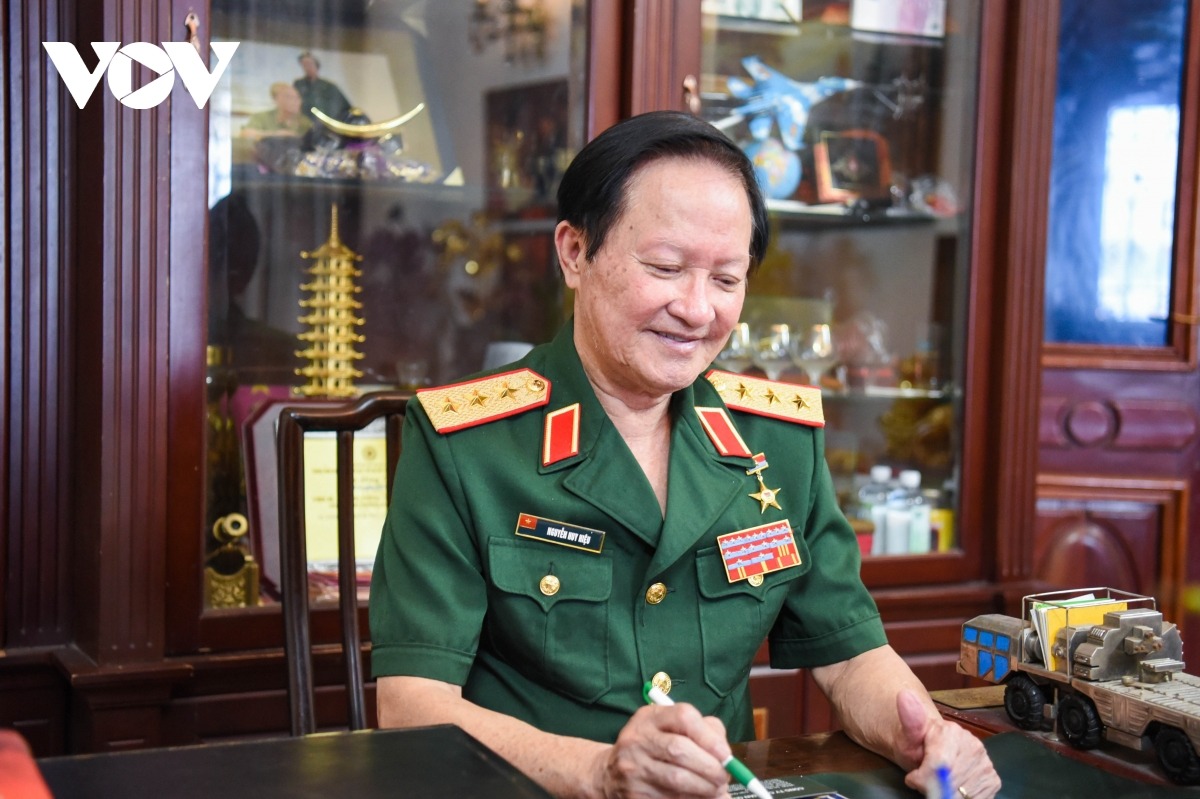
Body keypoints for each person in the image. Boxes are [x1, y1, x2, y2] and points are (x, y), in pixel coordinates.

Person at [369, 110, 1000, 799]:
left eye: (727, 280)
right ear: (575, 252)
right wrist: (598, 773)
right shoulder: (467, 442)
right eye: (666, 268)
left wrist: (929, 739)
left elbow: (850, 657)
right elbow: (412, 706)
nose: (698, 311)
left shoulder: (777, 440)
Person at [239, 82, 312, 141]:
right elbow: (245, 134)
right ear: (276, 100)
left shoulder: (304, 122)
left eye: (297, 97)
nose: (296, 101)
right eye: (289, 97)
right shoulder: (262, 117)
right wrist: (276, 135)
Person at [293, 51, 351, 122]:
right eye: (304, 65)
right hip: (303, 124)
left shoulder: (329, 86)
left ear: (316, 65)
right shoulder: (298, 85)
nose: (307, 67)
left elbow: (345, 108)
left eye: (309, 64)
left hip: (325, 125)